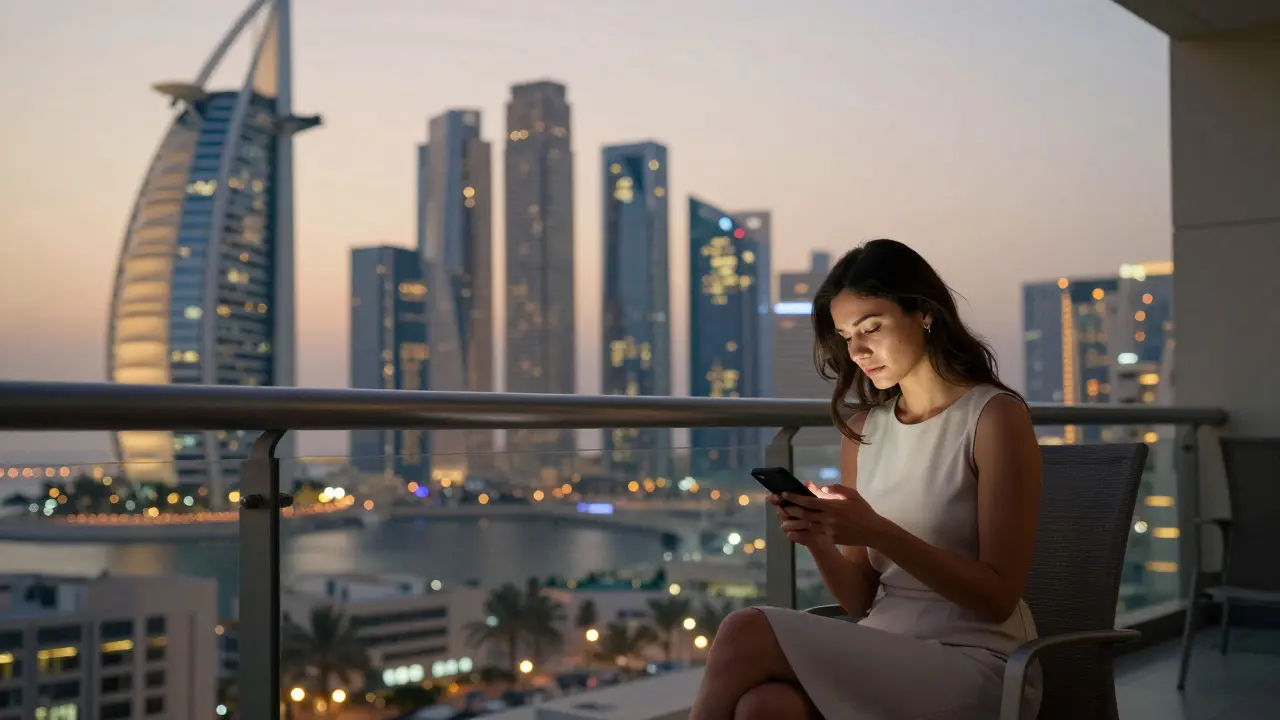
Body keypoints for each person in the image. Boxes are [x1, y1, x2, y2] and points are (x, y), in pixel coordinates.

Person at [690, 239, 1043, 720]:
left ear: (923, 313)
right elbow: (860, 597)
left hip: (977, 659)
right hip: (886, 643)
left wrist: (876, 531)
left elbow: (998, 598)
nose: (856, 350)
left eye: (871, 327)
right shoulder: (863, 431)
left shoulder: (993, 417)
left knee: (745, 629)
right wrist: (820, 540)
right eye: (845, 335)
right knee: (764, 707)